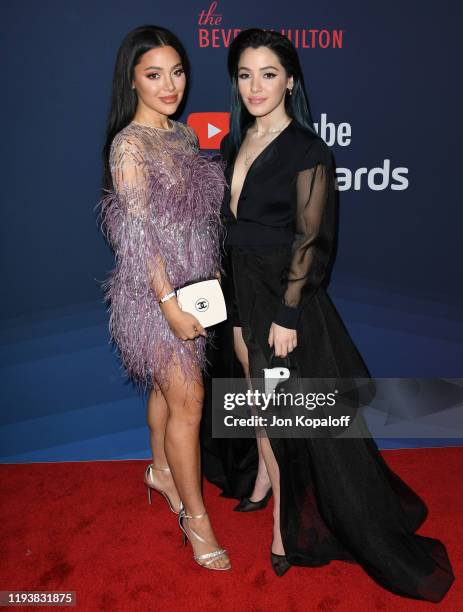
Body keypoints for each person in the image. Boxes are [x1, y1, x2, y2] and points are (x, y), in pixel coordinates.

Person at [202, 28, 454, 599]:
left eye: (268, 74)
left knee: (284, 410)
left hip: (278, 298)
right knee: (251, 394)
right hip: (239, 293)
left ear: (291, 80)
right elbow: (230, 227)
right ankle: (265, 472)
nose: (255, 86)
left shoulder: (308, 150)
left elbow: (313, 241)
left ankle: (284, 522)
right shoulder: (233, 142)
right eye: (244, 74)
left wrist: (289, 315)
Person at [99, 25, 230, 571]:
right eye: (154, 75)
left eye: (177, 72)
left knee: (165, 389)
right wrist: (169, 304)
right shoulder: (128, 144)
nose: (170, 84)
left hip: (192, 286)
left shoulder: (181, 135)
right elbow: (139, 233)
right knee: (190, 403)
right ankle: (196, 519)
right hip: (155, 295)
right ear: (132, 81)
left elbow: (193, 219)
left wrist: (209, 272)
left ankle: (159, 470)